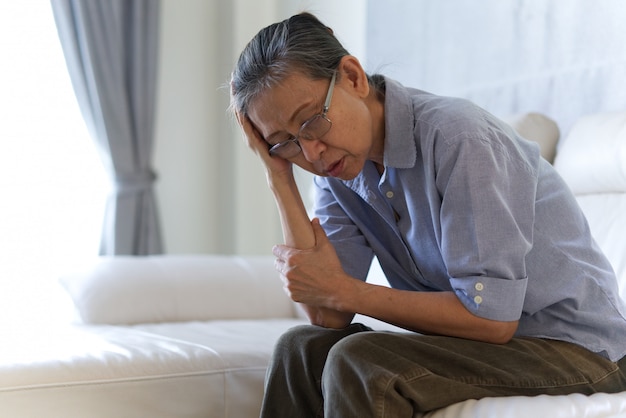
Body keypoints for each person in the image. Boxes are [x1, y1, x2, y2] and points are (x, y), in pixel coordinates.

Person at [230, 12, 626, 417]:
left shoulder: (459, 138)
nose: (310, 152)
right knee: (299, 348)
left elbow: (491, 318)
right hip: (492, 347)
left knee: (363, 361)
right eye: (286, 143)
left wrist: (341, 289)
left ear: (352, 77)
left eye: (312, 121)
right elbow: (327, 315)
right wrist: (278, 175)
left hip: (578, 351)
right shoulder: (337, 170)